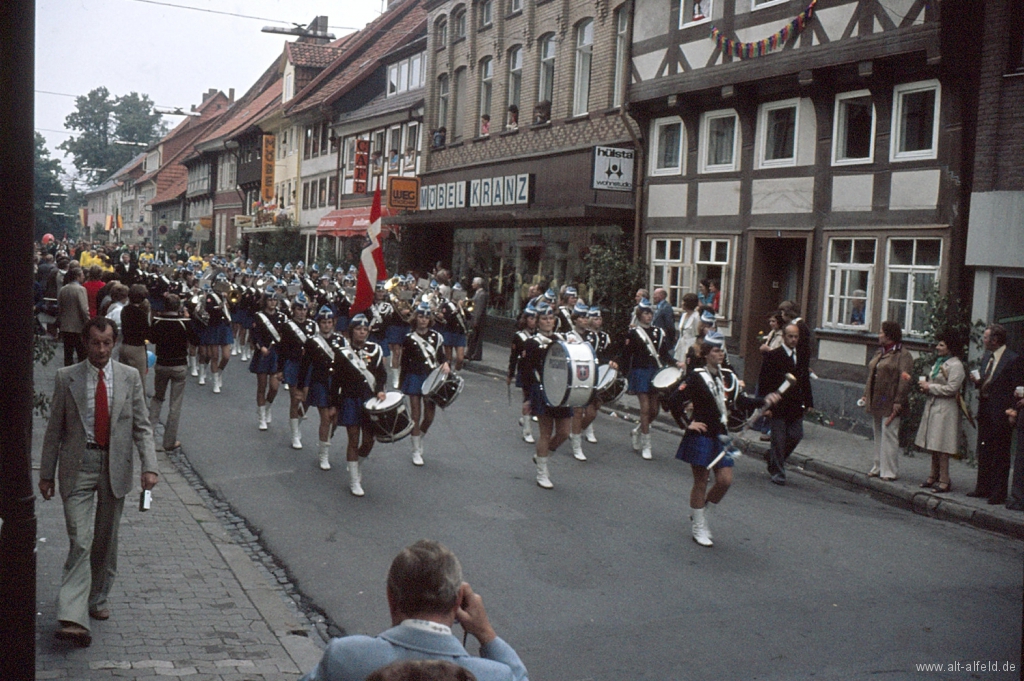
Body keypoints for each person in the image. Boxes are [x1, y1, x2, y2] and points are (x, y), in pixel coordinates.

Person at [39, 317, 159, 647]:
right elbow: (54, 431)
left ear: (114, 343)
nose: (102, 350)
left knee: (106, 539)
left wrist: (151, 467)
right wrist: (46, 474)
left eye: (107, 343)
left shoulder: (129, 377)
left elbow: (142, 426)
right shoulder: (68, 378)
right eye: (96, 343)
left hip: (114, 464)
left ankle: (97, 599)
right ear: (85, 343)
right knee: (80, 538)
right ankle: (72, 616)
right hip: (78, 465)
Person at [299, 540, 528, 681]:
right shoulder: (495, 675)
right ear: (458, 600)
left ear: (391, 597)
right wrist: (486, 634)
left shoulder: (346, 656)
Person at [667, 332, 772, 546]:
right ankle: (699, 526)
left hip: (722, 435)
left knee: (725, 481)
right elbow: (672, 400)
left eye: (722, 350)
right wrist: (688, 424)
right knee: (701, 481)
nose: (720, 354)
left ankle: (702, 512)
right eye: (716, 350)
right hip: (701, 434)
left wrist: (764, 401)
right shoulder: (696, 376)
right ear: (706, 353)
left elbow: (740, 401)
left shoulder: (727, 376)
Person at [519, 303, 573, 488]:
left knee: (565, 432)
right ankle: (542, 472)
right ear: (537, 322)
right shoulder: (532, 343)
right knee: (545, 432)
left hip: (562, 392)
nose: (548, 322)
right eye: (544, 319)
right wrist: (527, 399)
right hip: (542, 391)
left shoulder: (561, 339)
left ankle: (541, 455)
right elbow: (526, 372)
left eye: (551, 318)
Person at [335, 314, 389, 496]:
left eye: (365, 329)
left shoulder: (375, 350)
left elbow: (381, 374)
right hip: (350, 399)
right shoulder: (342, 353)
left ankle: (356, 465)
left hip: (369, 400)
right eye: (359, 329)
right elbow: (336, 381)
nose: (362, 332)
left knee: (368, 440)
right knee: (353, 439)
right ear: (352, 331)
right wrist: (334, 405)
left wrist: (380, 389)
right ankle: (354, 481)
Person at [968, 324, 1020, 504]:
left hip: (1000, 412)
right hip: (985, 409)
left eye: (986, 337)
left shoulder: (1012, 359)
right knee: (984, 449)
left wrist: (1013, 410)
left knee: (1000, 452)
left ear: (995, 340)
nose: (983, 340)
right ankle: (983, 487)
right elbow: (987, 381)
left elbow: (1016, 387)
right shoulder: (987, 358)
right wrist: (978, 381)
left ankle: (998, 492)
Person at [616, 298, 672, 460]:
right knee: (645, 408)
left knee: (655, 410)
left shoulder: (658, 333)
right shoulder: (633, 333)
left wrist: (676, 363)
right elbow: (626, 354)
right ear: (639, 315)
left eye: (650, 313)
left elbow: (665, 354)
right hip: (640, 372)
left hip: (655, 373)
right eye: (645, 313)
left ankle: (638, 430)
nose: (648, 316)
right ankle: (646, 445)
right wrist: (620, 369)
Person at [757, 324, 813, 485]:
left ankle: (772, 457)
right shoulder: (774, 356)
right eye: (790, 336)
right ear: (784, 337)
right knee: (779, 440)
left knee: (796, 435)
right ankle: (778, 472)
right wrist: (765, 405)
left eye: (796, 337)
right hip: (778, 404)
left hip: (795, 404)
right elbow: (764, 382)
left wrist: (809, 401)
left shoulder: (802, 355)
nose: (794, 339)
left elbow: (804, 379)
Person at [297, 306, 350, 471]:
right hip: (320, 382)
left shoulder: (341, 341)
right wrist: (301, 387)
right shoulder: (313, 342)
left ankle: (325, 441)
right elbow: (305, 366)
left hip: (337, 383)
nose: (327, 325)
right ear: (318, 323)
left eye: (329, 322)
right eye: (323, 322)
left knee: (335, 420)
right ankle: (323, 454)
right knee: (326, 418)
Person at [913, 332, 966, 494]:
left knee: (942, 445)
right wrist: (925, 387)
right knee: (933, 443)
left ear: (950, 348)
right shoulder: (939, 363)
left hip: (945, 409)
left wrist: (930, 387)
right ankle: (932, 476)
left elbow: (952, 389)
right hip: (933, 405)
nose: (937, 347)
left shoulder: (956, 366)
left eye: (941, 345)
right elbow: (935, 382)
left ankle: (944, 479)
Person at [862, 320, 914, 481]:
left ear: (890, 335)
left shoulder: (902, 355)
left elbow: (905, 379)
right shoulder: (880, 352)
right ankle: (877, 465)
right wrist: (866, 394)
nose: (879, 335)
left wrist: (899, 400)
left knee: (890, 434)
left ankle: (889, 470)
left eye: (881, 332)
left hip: (891, 399)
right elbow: (871, 374)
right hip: (877, 397)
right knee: (877, 433)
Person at [401, 302, 450, 466]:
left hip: (431, 378)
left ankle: (419, 437)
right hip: (414, 378)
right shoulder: (408, 339)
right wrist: (402, 386)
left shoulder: (436, 337)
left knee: (429, 416)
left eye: (426, 317)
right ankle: (415, 450)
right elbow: (404, 363)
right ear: (416, 318)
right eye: (421, 316)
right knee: (416, 415)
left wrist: (446, 364)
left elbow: (441, 357)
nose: (423, 320)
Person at [148, 294, 191, 452]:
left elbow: (152, 339)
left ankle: (149, 435)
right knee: (175, 404)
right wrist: (188, 318)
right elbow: (195, 340)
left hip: (162, 363)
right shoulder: (184, 322)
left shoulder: (158, 321)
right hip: (179, 364)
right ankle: (169, 441)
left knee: (157, 398)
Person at [280, 294, 319, 450]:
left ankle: (298, 423)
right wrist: (280, 369)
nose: (302, 312)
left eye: (304, 309)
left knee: (307, 400)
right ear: (293, 310)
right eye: (299, 309)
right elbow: (283, 349)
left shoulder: (313, 325)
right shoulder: (288, 326)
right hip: (294, 365)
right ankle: (295, 433)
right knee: (295, 399)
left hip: (309, 367)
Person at [250, 287, 286, 431]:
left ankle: (267, 407)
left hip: (277, 354)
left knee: (274, 387)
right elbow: (255, 335)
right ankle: (261, 416)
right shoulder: (259, 316)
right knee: (262, 386)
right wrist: (261, 347)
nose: (272, 302)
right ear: (265, 301)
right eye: (270, 300)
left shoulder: (282, 317)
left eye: (275, 300)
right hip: (263, 354)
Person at [507, 304, 538, 444]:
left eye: (536, 318)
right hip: (525, 371)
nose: (534, 321)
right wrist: (510, 374)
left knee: (536, 400)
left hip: (537, 372)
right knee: (527, 399)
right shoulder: (519, 337)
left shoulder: (538, 335)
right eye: (531, 318)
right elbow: (513, 357)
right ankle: (527, 430)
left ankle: (524, 417)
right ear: (526, 319)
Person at [118, 284, 151, 386]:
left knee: (124, 380)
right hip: (137, 347)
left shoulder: (124, 310)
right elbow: (147, 334)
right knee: (139, 382)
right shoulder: (141, 314)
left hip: (124, 345)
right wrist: (146, 341)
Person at [57, 266, 90, 366]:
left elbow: (60, 307)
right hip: (78, 326)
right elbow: (84, 309)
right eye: (82, 275)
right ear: (77, 276)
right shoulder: (80, 289)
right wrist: (88, 322)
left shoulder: (63, 289)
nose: (84, 277)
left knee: (68, 354)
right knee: (81, 353)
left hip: (65, 326)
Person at [673, 292, 700, 363]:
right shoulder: (683, 315)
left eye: (683, 302)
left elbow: (698, 334)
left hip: (691, 345)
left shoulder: (696, 317)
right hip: (681, 345)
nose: (682, 303)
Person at [466, 277, 488, 362]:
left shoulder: (481, 294)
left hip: (479, 320)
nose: (472, 284)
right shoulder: (477, 293)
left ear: (478, 284)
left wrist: (476, 321)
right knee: (473, 337)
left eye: (473, 283)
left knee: (477, 337)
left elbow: (479, 308)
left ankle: (476, 354)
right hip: (475, 318)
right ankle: (470, 353)